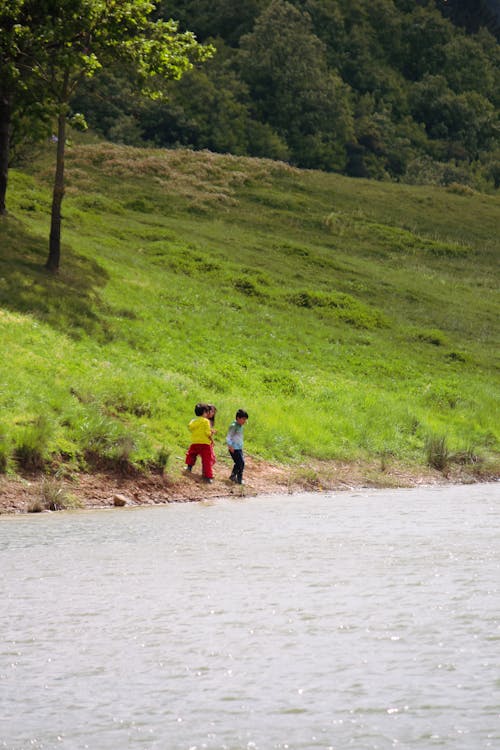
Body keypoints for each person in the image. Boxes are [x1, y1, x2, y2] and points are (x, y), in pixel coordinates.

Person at [185, 403, 214, 483]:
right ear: (204, 412)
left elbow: (190, 427)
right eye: (207, 412)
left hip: (195, 442)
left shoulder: (194, 421)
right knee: (207, 460)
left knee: (191, 455)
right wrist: (211, 432)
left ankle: (189, 467)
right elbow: (207, 433)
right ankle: (208, 477)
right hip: (205, 444)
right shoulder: (206, 421)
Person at [226, 409, 249, 485]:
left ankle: (233, 476)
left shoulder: (240, 426)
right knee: (241, 463)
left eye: (245, 419)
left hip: (239, 448)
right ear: (238, 418)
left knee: (238, 463)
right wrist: (230, 446)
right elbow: (228, 437)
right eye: (243, 419)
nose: (245, 421)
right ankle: (239, 479)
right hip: (234, 448)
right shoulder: (233, 426)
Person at [206, 404, 217, 472]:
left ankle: (207, 469)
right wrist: (212, 440)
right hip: (206, 442)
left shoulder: (210, 421)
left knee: (212, 458)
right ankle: (207, 470)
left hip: (208, 441)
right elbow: (207, 433)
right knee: (211, 458)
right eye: (212, 411)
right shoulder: (205, 421)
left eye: (214, 412)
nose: (213, 414)